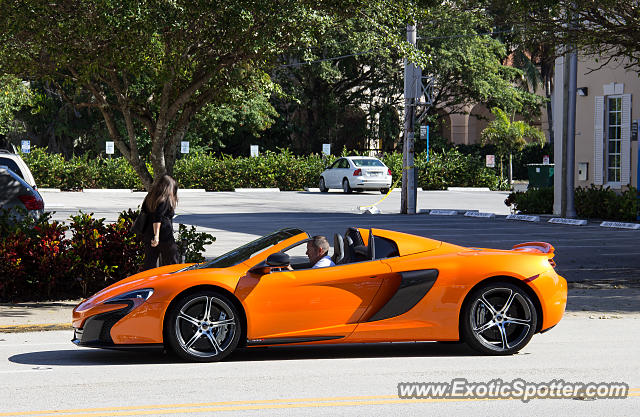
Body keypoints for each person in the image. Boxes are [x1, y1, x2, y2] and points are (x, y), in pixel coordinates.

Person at [141, 175, 179, 270]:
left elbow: (144, 212)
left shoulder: (150, 197)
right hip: (163, 236)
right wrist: (156, 236)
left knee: (149, 264)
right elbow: (157, 218)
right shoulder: (165, 199)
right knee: (172, 262)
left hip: (148, 234)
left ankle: (148, 283)